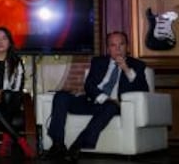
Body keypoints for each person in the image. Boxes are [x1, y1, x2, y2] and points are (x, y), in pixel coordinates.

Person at [43, 31, 149, 162]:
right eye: (113, 45)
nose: (118, 49)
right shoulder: (98, 62)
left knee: (110, 106)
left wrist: (126, 69)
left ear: (127, 47)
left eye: (121, 44)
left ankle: (77, 146)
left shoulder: (137, 65)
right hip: (93, 101)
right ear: (108, 49)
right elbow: (89, 85)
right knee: (61, 96)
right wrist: (104, 97)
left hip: (113, 107)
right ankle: (58, 145)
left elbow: (144, 90)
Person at [0, 27, 35, 158]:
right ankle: (20, 141)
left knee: (8, 95)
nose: (0, 42)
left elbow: (17, 89)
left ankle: (7, 140)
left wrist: (2, 94)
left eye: (4, 38)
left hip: (9, 100)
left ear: (9, 42)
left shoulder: (16, 62)